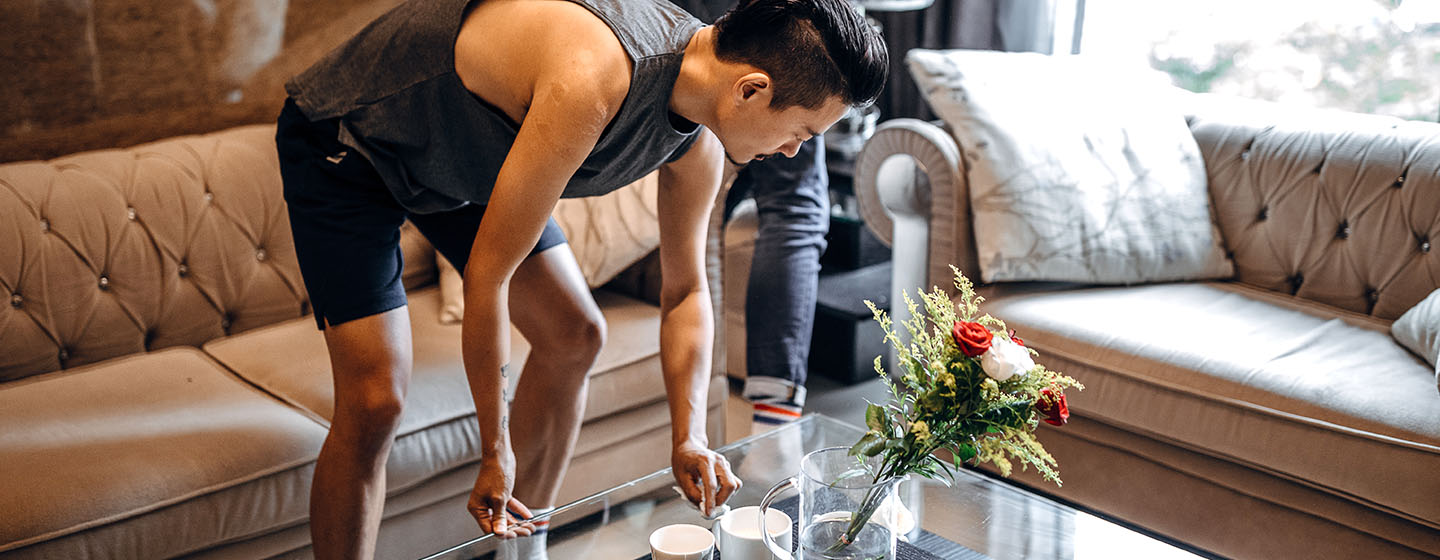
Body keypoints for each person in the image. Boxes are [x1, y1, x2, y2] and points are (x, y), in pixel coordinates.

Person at [275, 0, 887, 558]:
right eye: (802, 133)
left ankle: (522, 547)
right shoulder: (593, 78)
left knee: (574, 333)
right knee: (376, 401)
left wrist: (691, 435)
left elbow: (686, 292)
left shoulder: (697, 140)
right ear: (751, 89)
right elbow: (490, 279)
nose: (791, 153)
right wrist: (496, 452)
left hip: (465, 166)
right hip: (349, 144)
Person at [673, 0, 832, 434]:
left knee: (699, 194)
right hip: (778, 28)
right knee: (795, 205)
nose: (793, 148)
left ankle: (707, 432)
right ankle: (773, 427)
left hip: (690, 20)